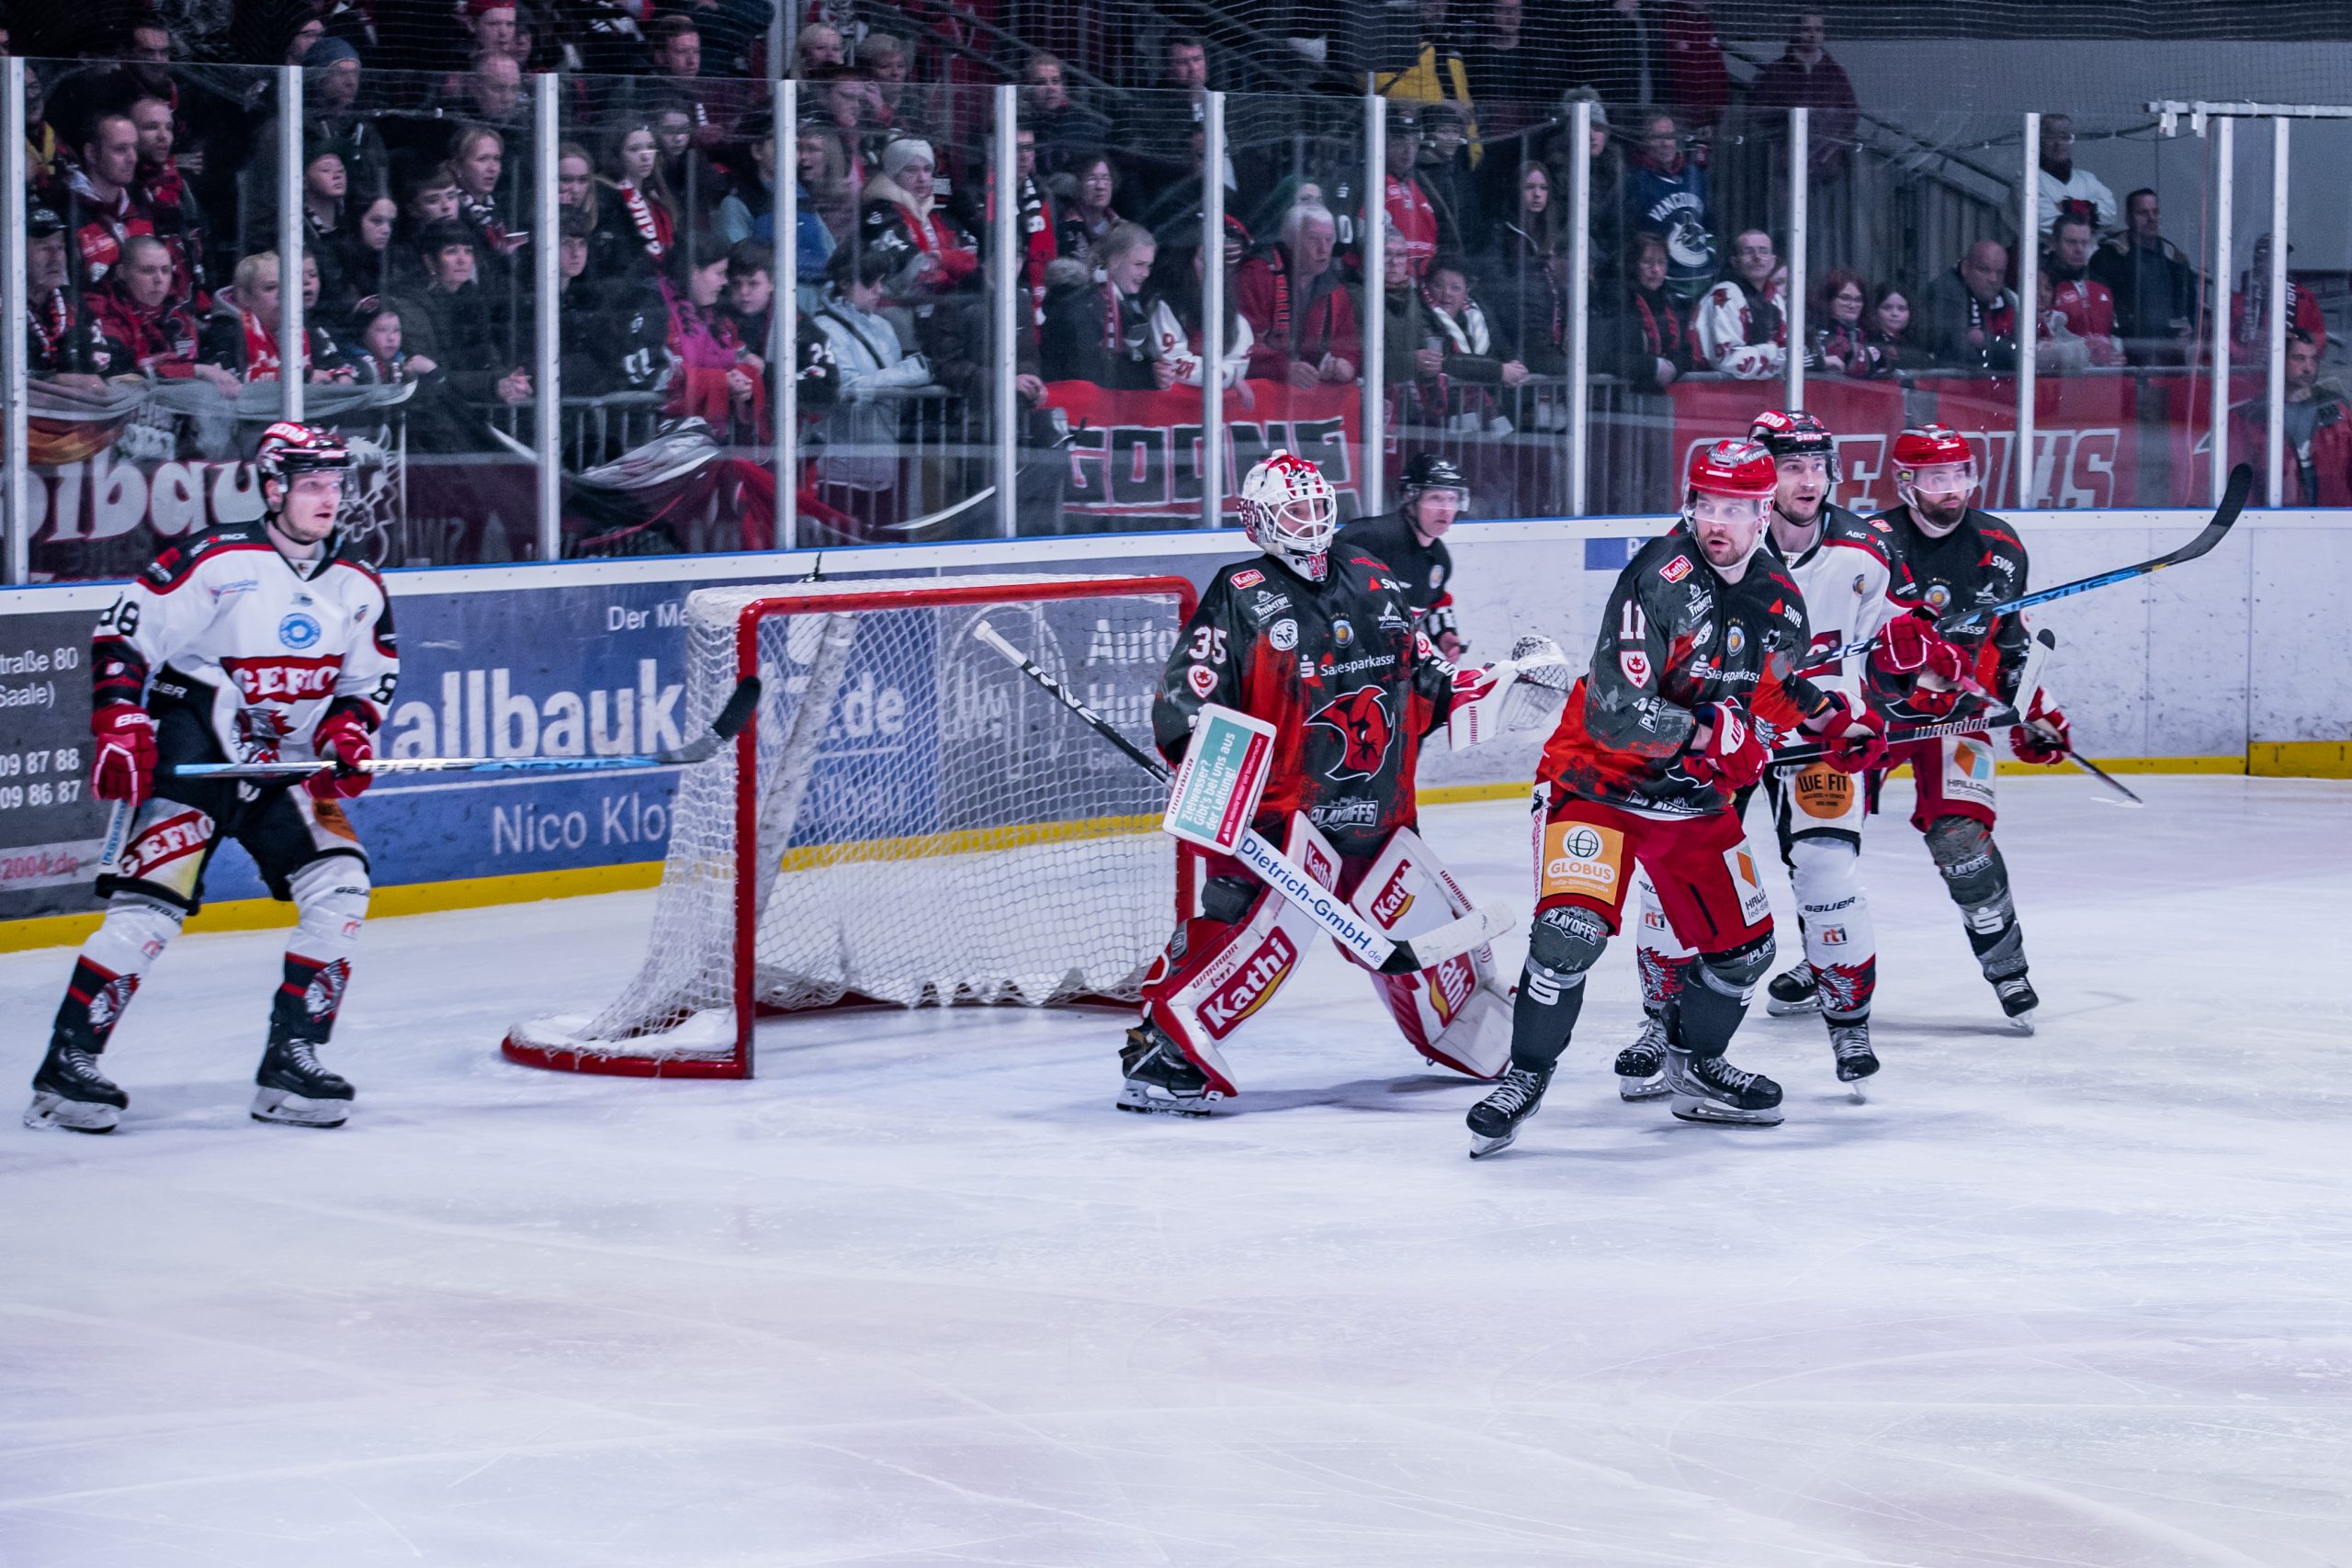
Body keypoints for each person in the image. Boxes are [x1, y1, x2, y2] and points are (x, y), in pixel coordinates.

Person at [1463, 437, 1871, 1155]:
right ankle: (1524, 1077)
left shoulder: (1778, 596)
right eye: (1704, 503)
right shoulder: (1660, 575)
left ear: (1762, 510)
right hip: (1598, 784)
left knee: (1745, 951)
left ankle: (1695, 1064)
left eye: (1735, 508)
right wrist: (1714, 732)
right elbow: (1617, 710)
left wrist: (1835, 722)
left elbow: (1772, 685)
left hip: (1689, 801)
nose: (1716, 521)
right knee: (1569, 936)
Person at [26, 423, 396, 1134]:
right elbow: (125, 632)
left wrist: (348, 729)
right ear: (273, 487)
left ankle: (292, 1062)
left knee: (342, 885)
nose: (329, 498)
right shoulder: (216, 559)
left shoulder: (358, 583)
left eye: (336, 485)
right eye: (313, 484)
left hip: (285, 765)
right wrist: (122, 722)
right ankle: (66, 1066)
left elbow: (370, 678)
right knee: (148, 911)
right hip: (196, 750)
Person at [1116, 450, 1511, 1116]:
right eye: (1293, 511)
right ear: (1259, 522)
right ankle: (1163, 1053)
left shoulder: (1374, 578)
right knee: (1246, 938)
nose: (1309, 521)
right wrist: (1205, 771)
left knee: (1429, 939)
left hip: (1378, 812)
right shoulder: (1240, 592)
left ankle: (1478, 1028)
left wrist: (1492, 690)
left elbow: (1424, 685)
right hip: (1283, 820)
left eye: (1316, 507)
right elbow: (1190, 698)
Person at [1624, 411, 1897, 1096]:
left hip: (1815, 739)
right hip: (1717, 739)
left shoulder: (1867, 551)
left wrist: (1908, 668)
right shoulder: (1692, 550)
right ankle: (1662, 1023)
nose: (1810, 480)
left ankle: (1849, 1024)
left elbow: (1889, 647)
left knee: (1827, 871)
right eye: (1792, 466)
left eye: (1818, 465)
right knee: (1672, 883)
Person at [1863, 424, 2065, 1029]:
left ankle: (2007, 964)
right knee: (1822, 850)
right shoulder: (1870, 544)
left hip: (1953, 716)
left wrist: (2035, 707)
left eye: (1960, 475)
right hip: (1870, 714)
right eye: (1935, 477)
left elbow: (2007, 645)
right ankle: (1829, 957)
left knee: (1961, 841)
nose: (1952, 489)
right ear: (1905, 482)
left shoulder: (2000, 545)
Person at [1335, 452, 1469, 658]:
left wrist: (1445, 635)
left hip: (1390, 662)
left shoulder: (1440, 559)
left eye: (1452, 499)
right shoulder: (1371, 538)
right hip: (1347, 660)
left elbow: (1432, 605)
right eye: (1435, 498)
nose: (1445, 510)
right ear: (1411, 498)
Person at [1235, 204, 1362, 390]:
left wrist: (1344, 364)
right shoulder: (1258, 274)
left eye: (1328, 239)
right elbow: (1238, 343)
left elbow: (1347, 343)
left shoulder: (1335, 288)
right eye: (1313, 239)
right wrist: (1281, 368)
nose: (1323, 249)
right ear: (1290, 241)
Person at [88, 233, 233, 390]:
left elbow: (199, 360)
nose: (159, 279)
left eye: (165, 270)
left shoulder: (179, 313)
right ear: (122, 273)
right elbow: (121, 377)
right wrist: (197, 371)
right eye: (148, 271)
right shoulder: (103, 314)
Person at [2231, 331, 2351, 506]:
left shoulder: (2338, 410)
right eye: (2299, 358)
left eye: (2313, 359)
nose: (2308, 367)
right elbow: (2238, 480)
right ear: (2279, 361)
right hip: (2272, 522)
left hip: (2334, 521)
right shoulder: (2250, 417)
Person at [1041, 220, 1165, 389]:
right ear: (1114, 261)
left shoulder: (1126, 303)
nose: (1145, 273)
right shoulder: (1083, 305)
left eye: (1148, 266)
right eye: (1139, 265)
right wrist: (1149, 376)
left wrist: (1157, 370)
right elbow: (1090, 373)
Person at [199, 251, 351, 384]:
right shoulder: (225, 331)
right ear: (244, 296)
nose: (282, 294)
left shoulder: (305, 324)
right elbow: (232, 379)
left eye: (286, 285)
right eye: (270, 288)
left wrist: (341, 376)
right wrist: (302, 378)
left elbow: (337, 363)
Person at [2090, 188, 2199, 367]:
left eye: (2155, 212)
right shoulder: (2107, 257)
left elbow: (2191, 308)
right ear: (2128, 218)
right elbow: (2097, 307)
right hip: (2123, 356)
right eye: (2143, 213)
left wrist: (2189, 330)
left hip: (2168, 358)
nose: (2151, 218)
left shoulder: (2175, 259)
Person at [860, 138, 978, 299]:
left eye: (927, 169)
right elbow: (910, 271)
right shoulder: (882, 213)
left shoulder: (934, 213)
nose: (922, 178)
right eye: (911, 170)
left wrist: (940, 258)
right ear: (893, 175)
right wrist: (948, 265)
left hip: (935, 310)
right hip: (895, 310)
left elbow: (974, 257)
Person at [1621, 108, 1713, 307]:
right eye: (1658, 138)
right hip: (1664, 286)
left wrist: (1711, 260)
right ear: (1645, 143)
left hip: (1703, 282)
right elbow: (1626, 233)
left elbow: (1710, 224)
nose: (1666, 143)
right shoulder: (1635, 181)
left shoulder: (1694, 176)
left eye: (1670, 136)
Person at [1749, 10, 1859, 175]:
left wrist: (1832, 147)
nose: (1813, 35)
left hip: (1825, 166)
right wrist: (1782, 142)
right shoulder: (1777, 70)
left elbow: (1851, 115)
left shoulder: (1835, 73)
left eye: (1818, 29)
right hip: (1787, 163)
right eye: (1807, 29)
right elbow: (1759, 112)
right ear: (1796, 32)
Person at [1591, 230, 1686, 390]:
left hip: (1660, 398)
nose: (1655, 269)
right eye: (1648, 262)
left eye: (1661, 262)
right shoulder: (1616, 299)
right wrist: (1653, 367)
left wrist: (1674, 367)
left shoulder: (1670, 301)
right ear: (1633, 265)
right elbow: (1605, 358)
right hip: (1617, 400)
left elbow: (1686, 351)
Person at [1692, 228, 1785, 379]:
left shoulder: (1776, 299)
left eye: (1763, 251)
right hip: (1715, 394)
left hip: (1761, 395)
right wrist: (1772, 351)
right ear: (1735, 262)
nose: (1757, 257)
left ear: (1773, 260)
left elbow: (1788, 351)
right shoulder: (1723, 295)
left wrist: (1775, 355)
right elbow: (1730, 362)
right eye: (1749, 252)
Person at [1920, 240, 2017, 373]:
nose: (1993, 279)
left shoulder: (2005, 297)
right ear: (1965, 268)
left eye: (1999, 273)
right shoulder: (1946, 291)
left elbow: (2022, 353)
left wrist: (1983, 339)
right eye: (1984, 270)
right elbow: (1959, 352)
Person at [2045, 212, 2123, 367]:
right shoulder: (2042, 285)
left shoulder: (2102, 285)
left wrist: (2117, 355)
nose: (2079, 249)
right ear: (2054, 242)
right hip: (2058, 381)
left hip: (2103, 381)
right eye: (2071, 242)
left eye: (2084, 242)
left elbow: (2115, 336)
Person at [2231, 233, 2326, 357]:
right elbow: (2219, 340)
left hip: (2289, 372)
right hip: (2243, 371)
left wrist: (2291, 342)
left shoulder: (2304, 297)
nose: (2277, 262)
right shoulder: (2235, 301)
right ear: (2257, 261)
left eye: (2282, 257)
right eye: (2269, 257)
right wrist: (2246, 353)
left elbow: (2318, 342)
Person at [1022, 53, 1112, 174]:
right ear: (1028, 90)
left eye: (1055, 81)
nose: (1051, 88)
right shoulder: (1021, 126)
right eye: (1041, 83)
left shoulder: (1083, 125)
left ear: (1063, 86)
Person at [2031, 113, 2116, 237]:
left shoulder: (2088, 179)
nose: (2058, 143)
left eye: (2065, 137)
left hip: (2088, 255)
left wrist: (2068, 206)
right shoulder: (2028, 180)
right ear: (2039, 141)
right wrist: (2090, 211)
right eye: (2050, 137)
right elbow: (2045, 222)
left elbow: (2110, 214)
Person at [1054, 152, 1126, 270]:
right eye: (1092, 178)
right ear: (1077, 185)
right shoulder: (1065, 228)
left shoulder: (1122, 229)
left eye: (1105, 178)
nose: (1100, 186)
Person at [1808, 269, 1880, 377]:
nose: (1853, 305)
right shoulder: (1816, 333)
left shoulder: (1869, 333)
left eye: (1858, 300)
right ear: (1829, 299)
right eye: (1845, 298)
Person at [1864, 282, 1930, 372]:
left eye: (1902, 309)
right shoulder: (1868, 341)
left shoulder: (1915, 344)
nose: (1895, 314)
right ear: (1875, 311)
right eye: (1887, 308)